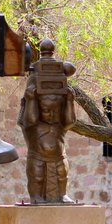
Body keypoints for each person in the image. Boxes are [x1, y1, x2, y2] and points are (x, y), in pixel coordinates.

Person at [18, 38, 77, 204]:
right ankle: (36, 197)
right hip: (38, 155)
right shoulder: (33, 122)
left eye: (55, 110)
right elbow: (29, 120)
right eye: (46, 110)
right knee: (36, 175)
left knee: (62, 173)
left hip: (58, 155)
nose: (51, 113)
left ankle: (62, 194)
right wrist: (30, 100)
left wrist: (70, 101)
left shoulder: (59, 121)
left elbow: (70, 122)